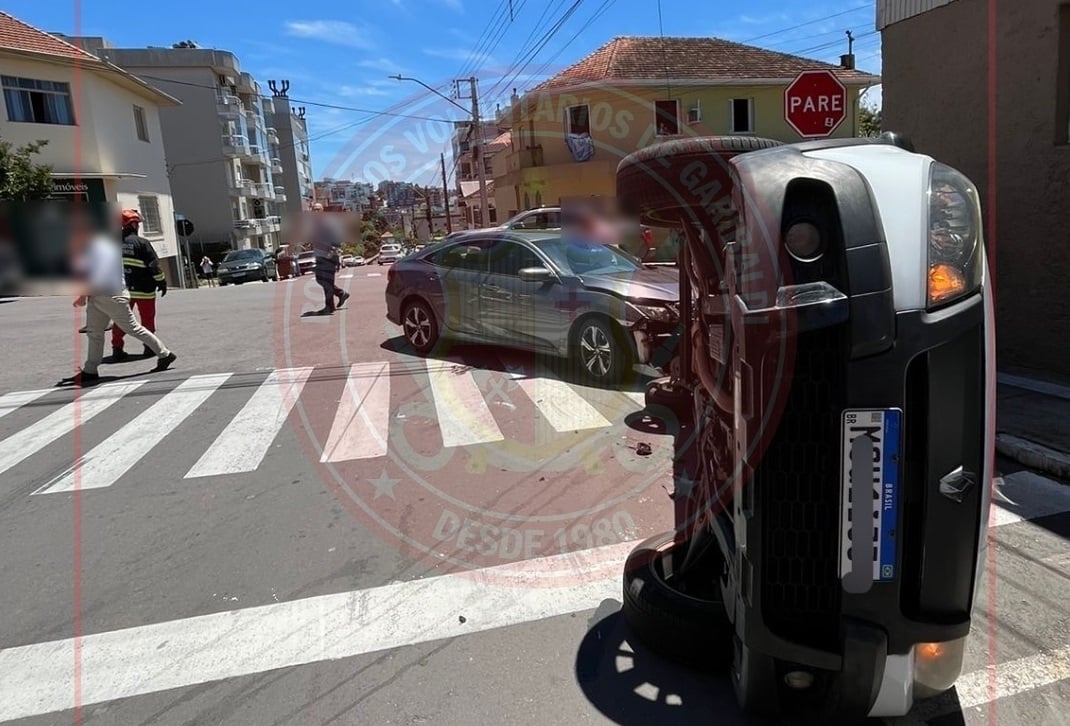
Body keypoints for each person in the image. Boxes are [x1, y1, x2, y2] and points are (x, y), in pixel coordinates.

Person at [66, 210, 176, 386]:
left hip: (110, 294)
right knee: (95, 333)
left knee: (133, 328)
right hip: (99, 296)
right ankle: (90, 370)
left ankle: (164, 354)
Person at [111, 210, 167, 360]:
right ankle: (149, 347)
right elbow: (154, 266)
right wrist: (161, 281)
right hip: (145, 289)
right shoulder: (142, 243)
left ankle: (117, 348)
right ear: (134, 224)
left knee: (121, 319)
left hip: (123, 289)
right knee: (147, 319)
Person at [308, 203, 350, 315]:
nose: (315, 212)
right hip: (320, 255)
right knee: (321, 279)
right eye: (313, 210)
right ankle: (341, 294)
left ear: (322, 210)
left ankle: (329, 306)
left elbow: (337, 238)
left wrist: (333, 251)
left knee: (327, 281)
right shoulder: (315, 224)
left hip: (329, 256)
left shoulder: (328, 222)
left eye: (318, 209)